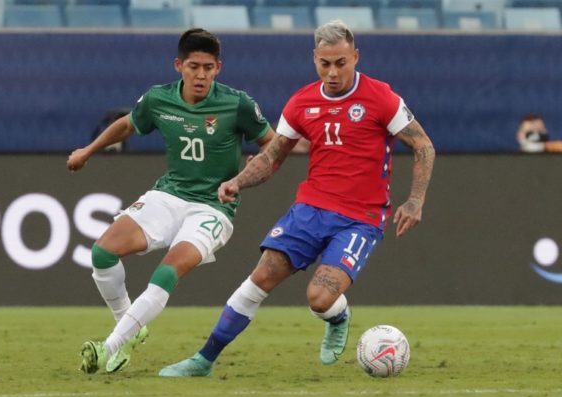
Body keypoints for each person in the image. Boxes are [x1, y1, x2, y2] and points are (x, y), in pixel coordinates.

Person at [159, 19, 436, 377]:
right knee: (260, 277)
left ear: (355, 56)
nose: (333, 72)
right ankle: (203, 360)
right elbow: (273, 155)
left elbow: (423, 145)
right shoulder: (302, 102)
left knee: (319, 298)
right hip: (309, 209)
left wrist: (415, 200)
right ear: (314, 59)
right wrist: (238, 181)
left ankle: (337, 317)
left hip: (360, 217)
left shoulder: (381, 97)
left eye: (341, 62)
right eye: (325, 64)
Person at [66, 28, 274, 374]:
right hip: (168, 195)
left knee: (166, 272)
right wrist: (88, 151)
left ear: (218, 68)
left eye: (209, 67)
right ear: (179, 65)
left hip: (213, 207)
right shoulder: (159, 99)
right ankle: (131, 327)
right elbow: (128, 126)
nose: (201, 75)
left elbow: (272, 142)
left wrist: (256, 168)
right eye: (194, 66)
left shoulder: (236, 103)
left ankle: (109, 346)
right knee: (101, 254)